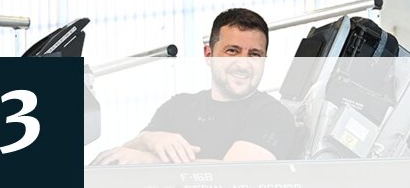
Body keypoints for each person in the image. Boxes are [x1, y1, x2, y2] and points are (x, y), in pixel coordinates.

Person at [92, 8, 297, 165]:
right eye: (232, 51)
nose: (244, 64)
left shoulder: (273, 115)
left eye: (254, 55)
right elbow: (124, 155)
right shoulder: (178, 106)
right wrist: (150, 140)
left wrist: (149, 161)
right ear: (209, 55)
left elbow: (233, 176)